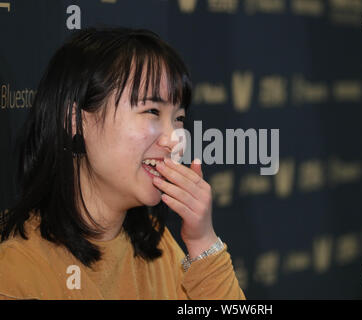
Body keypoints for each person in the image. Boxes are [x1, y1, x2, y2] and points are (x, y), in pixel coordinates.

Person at [0, 27, 245, 300]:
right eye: (152, 111)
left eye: (178, 118)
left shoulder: (158, 244)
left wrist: (203, 242)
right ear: (75, 121)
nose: (174, 139)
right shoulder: (19, 270)